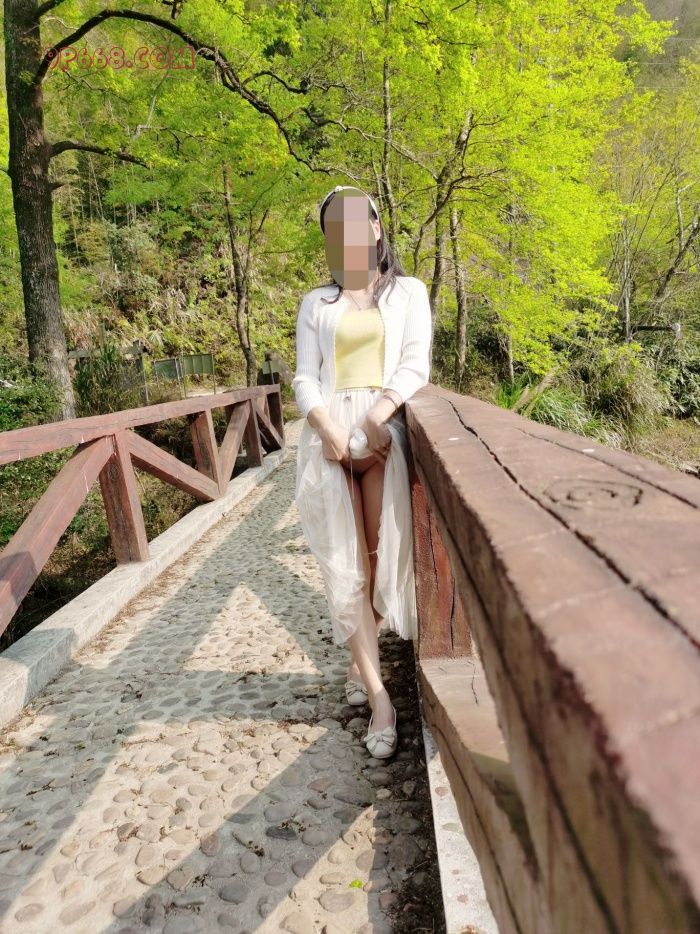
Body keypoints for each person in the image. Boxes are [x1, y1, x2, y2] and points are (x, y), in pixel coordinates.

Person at [292, 185, 433, 758]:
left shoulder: (408, 292)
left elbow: (416, 362)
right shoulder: (316, 303)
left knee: (376, 560)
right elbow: (305, 377)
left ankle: (361, 662)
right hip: (329, 438)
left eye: (356, 222)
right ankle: (380, 697)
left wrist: (379, 417)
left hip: (380, 432)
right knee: (346, 566)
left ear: (376, 227)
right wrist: (326, 428)